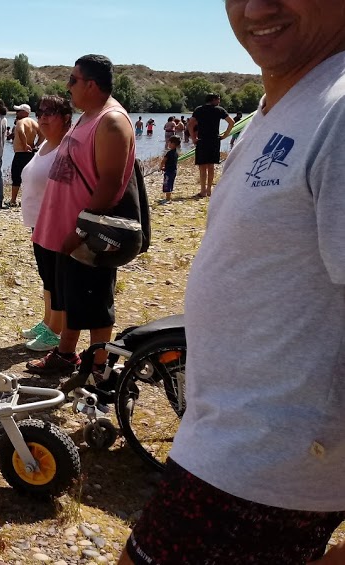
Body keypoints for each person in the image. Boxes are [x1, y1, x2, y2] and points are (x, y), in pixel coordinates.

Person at [120, 2, 345, 563]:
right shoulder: (284, 107)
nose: (255, 7)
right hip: (233, 448)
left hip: (266, 466)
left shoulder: (338, 113)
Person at [26, 54, 135, 378]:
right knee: (72, 297)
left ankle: (100, 369)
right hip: (67, 232)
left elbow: (111, 183)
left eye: (72, 80)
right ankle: (66, 354)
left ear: (90, 84)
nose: (68, 86)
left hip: (88, 235)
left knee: (96, 304)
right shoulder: (89, 116)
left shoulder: (111, 121)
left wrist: (81, 230)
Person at [20, 95, 74, 353]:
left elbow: (68, 189)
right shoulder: (44, 144)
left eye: (50, 112)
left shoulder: (66, 148)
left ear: (66, 118)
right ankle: (47, 321)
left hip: (55, 224)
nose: (42, 117)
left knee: (57, 278)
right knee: (46, 277)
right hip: (38, 224)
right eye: (41, 112)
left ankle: (56, 331)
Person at [188, 93, 235, 197]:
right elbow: (231, 122)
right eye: (218, 99)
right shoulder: (219, 110)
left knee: (202, 166)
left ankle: (203, 190)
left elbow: (190, 124)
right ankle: (209, 189)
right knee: (211, 165)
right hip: (214, 140)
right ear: (213, 100)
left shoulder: (199, 109)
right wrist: (225, 135)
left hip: (202, 140)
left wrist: (193, 138)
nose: (219, 101)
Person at [7, 104, 42, 207]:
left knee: (16, 176)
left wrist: (25, 144)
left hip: (21, 152)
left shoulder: (20, 122)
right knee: (28, 177)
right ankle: (27, 199)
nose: (17, 113)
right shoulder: (34, 123)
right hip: (31, 153)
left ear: (25, 113)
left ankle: (13, 200)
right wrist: (36, 145)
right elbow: (43, 134)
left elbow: (21, 131)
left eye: (19, 111)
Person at [159, 136, 180, 204]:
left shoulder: (169, 153)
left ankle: (167, 199)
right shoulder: (176, 153)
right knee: (170, 183)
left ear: (173, 144)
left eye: (170, 142)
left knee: (167, 184)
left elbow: (163, 161)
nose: (168, 143)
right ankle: (168, 198)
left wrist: (161, 167)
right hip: (174, 171)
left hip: (169, 171)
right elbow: (172, 163)